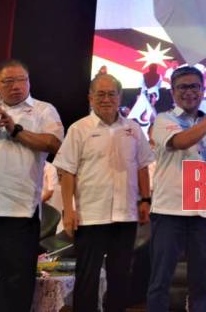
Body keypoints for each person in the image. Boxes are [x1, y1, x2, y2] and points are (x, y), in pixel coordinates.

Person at [54, 74, 154, 312]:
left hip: (126, 215)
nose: (106, 99)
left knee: (120, 279)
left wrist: (146, 200)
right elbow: (68, 172)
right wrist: (69, 211)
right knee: (87, 278)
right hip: (90, 216)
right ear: (90, 97)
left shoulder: (133, 129)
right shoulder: (79, 129)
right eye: (100, 94)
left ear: (120, 97)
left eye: (111, 94)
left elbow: (142, 166)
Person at [0, 59, 63, 311]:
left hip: (18, 208)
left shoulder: (43, 110)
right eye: (8, 81)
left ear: (29, 81)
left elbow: (54, 144)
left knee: (16, 280)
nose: (16, 86)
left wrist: (15, 130)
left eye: (21, 80)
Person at [147, 66, 206, 312]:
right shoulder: (165, 119)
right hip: (169, 212)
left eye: (194, 86)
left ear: (202, 89)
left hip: (204, 215)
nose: (189, 92)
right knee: (160, 282)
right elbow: (182, 141)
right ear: (173, 92)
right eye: (182, 87)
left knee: (201, 286)